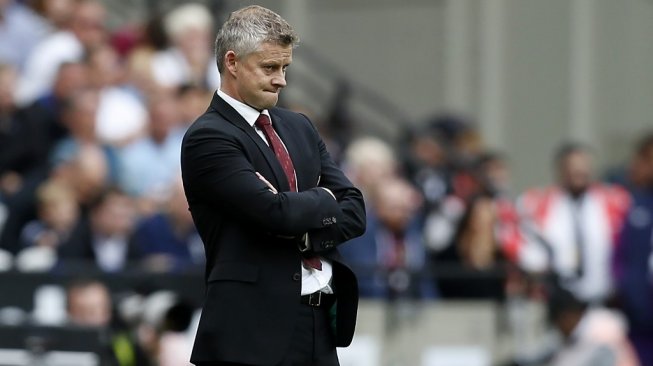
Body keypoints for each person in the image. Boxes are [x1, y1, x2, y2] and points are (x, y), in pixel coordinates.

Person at [180, 6, 366, 366]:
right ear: (232, 63)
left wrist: (304, 222)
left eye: (284, 68)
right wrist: (321, 200)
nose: (281, 79)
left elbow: (354, 208)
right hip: (249, 333)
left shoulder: (299, 126)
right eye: (269, 68)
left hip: (319, 324)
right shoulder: (208, 137)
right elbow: (276, 213)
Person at [517, 143, 630, 304]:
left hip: (606, 296)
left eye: (583, 167)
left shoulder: (615, 201)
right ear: (560, 170)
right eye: (572, 167)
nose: (579, 173)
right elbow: (526, 247)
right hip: (556, 299)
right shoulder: (536, 203)